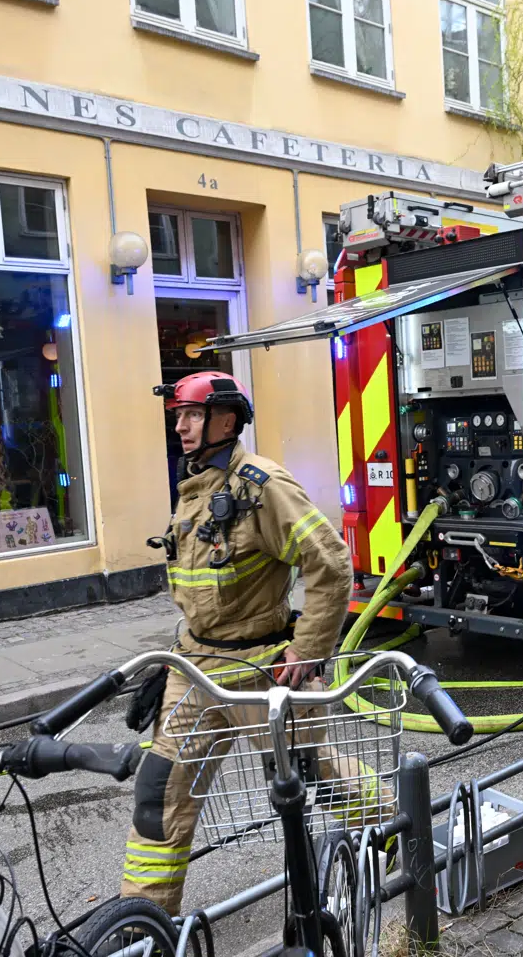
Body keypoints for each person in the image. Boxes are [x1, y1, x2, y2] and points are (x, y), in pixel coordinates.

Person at [122, 370, 357, 916]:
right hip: (195, 671)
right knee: (159, 794)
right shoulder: (198, 484)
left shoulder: (262, 487)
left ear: (226, 419)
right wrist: (174, 657)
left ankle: (397, 828)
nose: (180, 426)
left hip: (258, 673)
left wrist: (308, 648)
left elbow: (330, 564)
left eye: (192, 415)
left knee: (312, 773)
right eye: (177, 415)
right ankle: (144, 924)